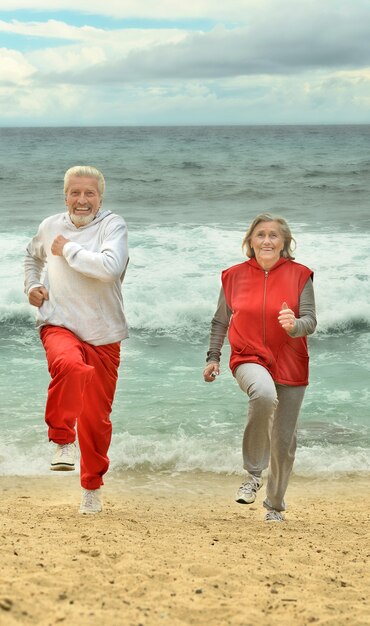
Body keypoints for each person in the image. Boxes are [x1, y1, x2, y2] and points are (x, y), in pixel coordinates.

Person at [24, 165, 129, 514]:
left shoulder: (113, 226)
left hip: (103, 333)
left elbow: (108, 268)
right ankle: (62, 439)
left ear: (100, 196)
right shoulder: (49, 226)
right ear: (64, 195)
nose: (81, 200)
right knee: (70, 366)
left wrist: (67, 248)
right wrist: (32, 286)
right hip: (59, 323)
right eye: (74, 192)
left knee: (96, 420)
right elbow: (31, 256)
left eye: (89, 193)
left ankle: (92, 487)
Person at [203, 213, 316, 522]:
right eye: (261, 235)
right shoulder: (233, 276)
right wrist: (213, 357)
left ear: (284, 243)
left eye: (273, 236)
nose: (267, 240)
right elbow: (220, 321)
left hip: (291, 362)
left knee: (283, 442)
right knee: (263, 394)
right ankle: (253, 474)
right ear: (250, 241)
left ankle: (275, 506)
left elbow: (310, 320)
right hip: (248, 356)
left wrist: (294, 325)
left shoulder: (300, 274)